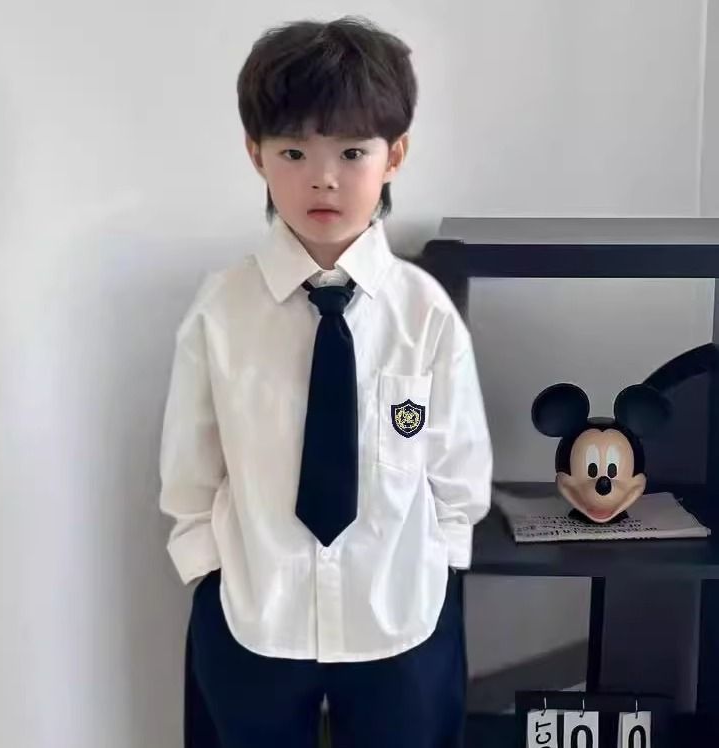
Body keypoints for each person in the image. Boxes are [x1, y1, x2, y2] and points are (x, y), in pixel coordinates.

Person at [158, 14, 493, 748]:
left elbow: (456, 470)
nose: (324, 177)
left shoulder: (424, 313)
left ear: (394, 154)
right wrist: (209, 578)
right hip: (253, 614)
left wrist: (439, 565)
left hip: (400, 615)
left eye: (351, 151)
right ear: (255, 154)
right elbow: (191, 470)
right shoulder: (222, 312)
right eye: (293, 151)